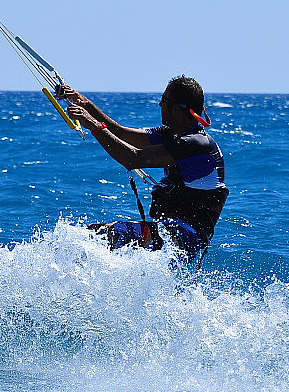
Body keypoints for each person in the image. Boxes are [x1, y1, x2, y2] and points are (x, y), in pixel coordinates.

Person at [63, 75, 228, 258]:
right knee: (95, 237)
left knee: (97, 236)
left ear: (178, 110)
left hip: (185, 235)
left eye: (164, 100)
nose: (160, 105)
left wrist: (92, 125)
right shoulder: (172, 135)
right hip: (172, 231)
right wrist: (86, 104)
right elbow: (120, 132)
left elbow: (133, 159)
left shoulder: (196, 144)